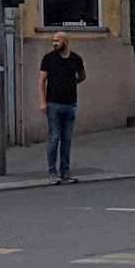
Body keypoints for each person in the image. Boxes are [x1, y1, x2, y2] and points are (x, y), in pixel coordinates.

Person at [39, 33, 86, 184]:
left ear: (65, 42)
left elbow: (82, 75)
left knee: (67, 139)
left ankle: (65, 172)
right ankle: (52, 172)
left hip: (70, 103)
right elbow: (41, 81)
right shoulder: (48, 58)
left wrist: (72, 83)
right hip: (53, 103)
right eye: (53, 41)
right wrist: (43, 101)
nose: (54, 43)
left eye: (57, 41)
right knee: (54, 137)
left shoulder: (76, 59)